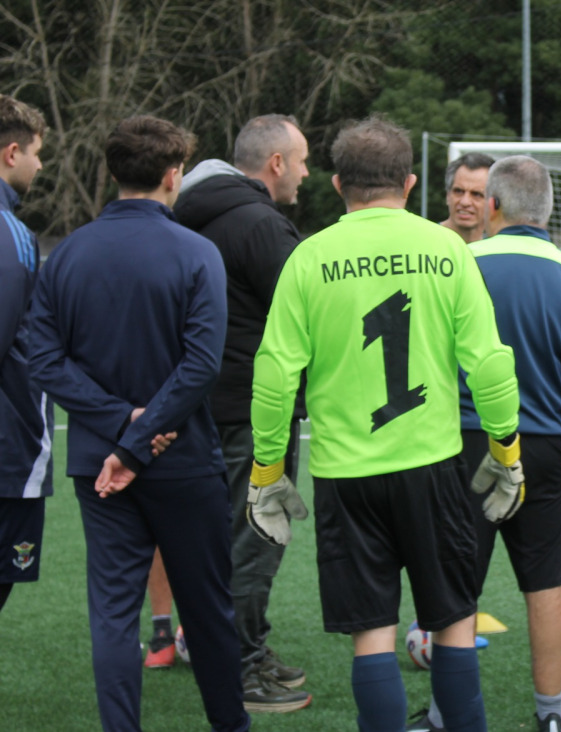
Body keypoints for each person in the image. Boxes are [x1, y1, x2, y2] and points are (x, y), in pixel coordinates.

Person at [250, 117, 520, 732]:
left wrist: (266, 472)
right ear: (410, 181)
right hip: (431, 468)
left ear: (339, 183)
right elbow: (490, 363)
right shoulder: (448, 247)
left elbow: (273, 376)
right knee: (453, 623)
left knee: (372, 635)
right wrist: (506, 451)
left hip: (345, 477)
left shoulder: (309, 257)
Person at [28, 115, 251, 732]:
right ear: (173, 175)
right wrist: (140, 429)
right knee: (207, 610)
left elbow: (43, 358)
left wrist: (119, 427)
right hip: (177, 458)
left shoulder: (68, 252)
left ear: (115, 172)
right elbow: (202, 364)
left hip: (101, 464)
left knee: (112, 613)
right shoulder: (195, 252)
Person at [408, 156, 561, 732]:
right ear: (548, 211)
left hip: (465, 444)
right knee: (545, 578)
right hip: (541, 447)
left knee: (456, 580)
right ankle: (552, 716)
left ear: (493, 206)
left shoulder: (457, 265)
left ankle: (441, 716)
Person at [173, 113, 313, 711]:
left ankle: (245, 647)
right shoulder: (260, 224)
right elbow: (306, 313)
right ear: (275, 163)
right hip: (256, 411)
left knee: (227, 536)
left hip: (203, 405)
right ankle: (239, 666)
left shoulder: (188, 213)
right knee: (258, 535)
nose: (306, 174)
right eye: (302, 161)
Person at [0, 94, 53, 616]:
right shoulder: (11, 235)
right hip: (7, 455)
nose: (40, 165)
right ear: (11, 152)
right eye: (37, 152)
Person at [440, 153, 494, 243]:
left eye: (476, 194)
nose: (465, 202)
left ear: (493, 202)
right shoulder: (426, 239)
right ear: (447, 195)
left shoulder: (495, 250)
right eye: (458, 191)